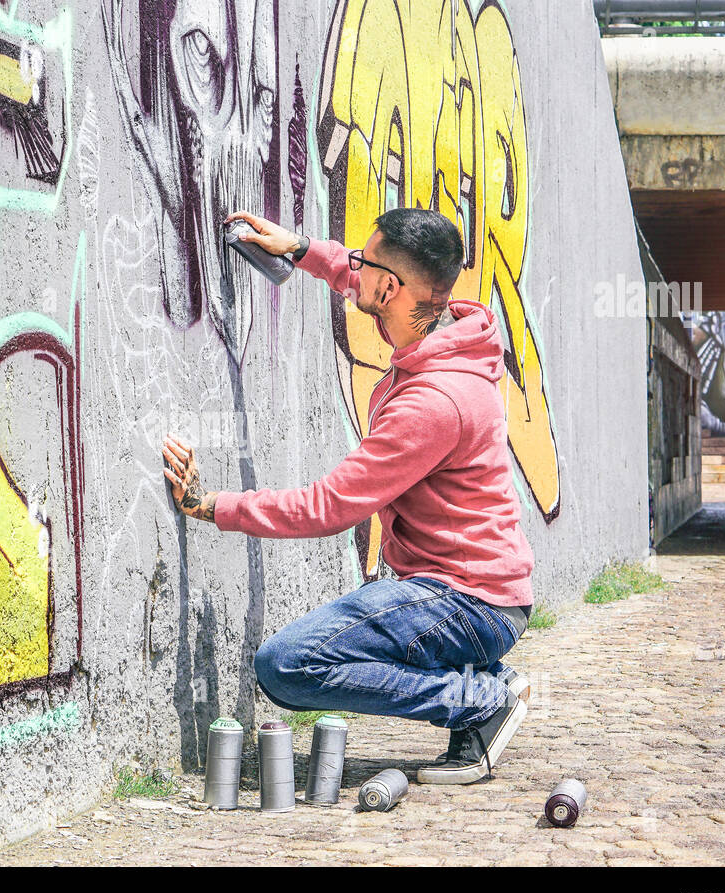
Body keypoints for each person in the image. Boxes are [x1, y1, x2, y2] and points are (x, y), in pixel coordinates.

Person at [160, 207, 535, 784]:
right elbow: (359, 276)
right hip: (483, 592)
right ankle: (477, 681)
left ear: (390, 287)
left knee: (286, 666)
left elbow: (328, 508)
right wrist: (304, 248)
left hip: (465, 601)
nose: (352, 267)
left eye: (365, 262)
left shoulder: (432, 404)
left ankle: (479, 701)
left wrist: (212, 505)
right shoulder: (453, 330)